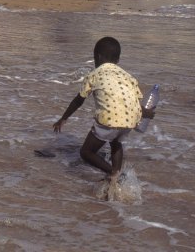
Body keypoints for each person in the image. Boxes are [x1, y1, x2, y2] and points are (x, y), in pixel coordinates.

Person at [52, 37, 155, 182]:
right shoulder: (128, 76)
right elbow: (134, 103)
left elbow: (79, 100)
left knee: (86, 152)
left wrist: (63, 118)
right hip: (130, 119)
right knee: (115, 143)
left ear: (98, 57)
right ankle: (116, 176)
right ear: (118, 60)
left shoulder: (94, 74)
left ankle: (114, 173)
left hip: (109, 118)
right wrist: (148, 113)